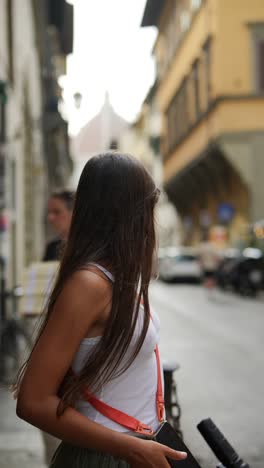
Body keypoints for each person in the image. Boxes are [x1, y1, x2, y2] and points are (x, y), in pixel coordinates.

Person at [14, 153, 187, 467]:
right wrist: (129, 448)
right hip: (107, 458)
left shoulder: (115, 279)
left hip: (132, 452)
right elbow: (33, 401)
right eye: (148, 208)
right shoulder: (88, 284)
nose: (152, 222)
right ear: (127, 214)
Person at [43, 190, 75, 261]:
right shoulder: (52, 247)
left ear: (73, 213)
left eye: (57, 212)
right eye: (49, 212)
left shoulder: (88, 246)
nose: (50, 218)